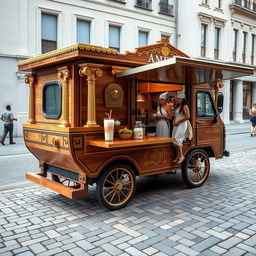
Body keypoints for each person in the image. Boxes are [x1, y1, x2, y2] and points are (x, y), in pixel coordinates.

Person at [172, 89, 190, 165]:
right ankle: (178, 156)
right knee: (173, 141)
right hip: (176, 125)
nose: (177, 100)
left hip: (182, 125)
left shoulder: (185, 106)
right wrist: (174, 122)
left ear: (182, 99)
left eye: (179, 98)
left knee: (177, 139)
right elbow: (176, 115)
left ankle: (182, 156)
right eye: (177, 98)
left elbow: (187, 117)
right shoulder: (178, 106)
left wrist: (178, 122)